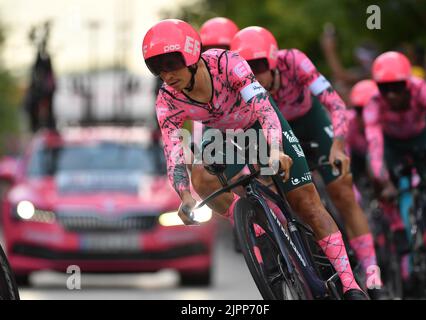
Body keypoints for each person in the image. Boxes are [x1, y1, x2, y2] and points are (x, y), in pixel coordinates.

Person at [142, 19, 367, 299]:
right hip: (222, 134)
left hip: (261, 123)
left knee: (306, 202)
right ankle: (257, 224)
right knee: (201, 176)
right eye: (157, 68)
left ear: (191, 55)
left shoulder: (227, 63)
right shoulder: (167, 100)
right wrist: (184, 195)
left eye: (171, 63)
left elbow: (263, 107)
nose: (167, 74)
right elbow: (173, 151)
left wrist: (274, 148)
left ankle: (350, 285)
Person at [230, 26, 384, 299]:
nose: (254, 73)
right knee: (281, 194)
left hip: (309, 123)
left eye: (260, 65)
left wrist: (337, 146)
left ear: (275, 61)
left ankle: (373, 275)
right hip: (272, 129)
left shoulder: (295, 61)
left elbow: (335, 104)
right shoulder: (239, 82)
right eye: (247, 67)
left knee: (341, 191)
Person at [363, 51, 426, 247]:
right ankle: (398, 226)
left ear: (408, 83)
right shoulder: (374, 103)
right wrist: (383, 180)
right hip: (392, 146)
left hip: (421, 139)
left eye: (397, 86)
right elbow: (375, 145)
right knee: (379, 180)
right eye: (385, 88)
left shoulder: (424, 90)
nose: (391, 94)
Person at [347, 80, 379, 185]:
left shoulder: (387, 119)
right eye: (359, 111)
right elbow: (344, 153)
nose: (365, 116)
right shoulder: (348, 123)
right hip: (357, 160)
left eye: (370, 109)